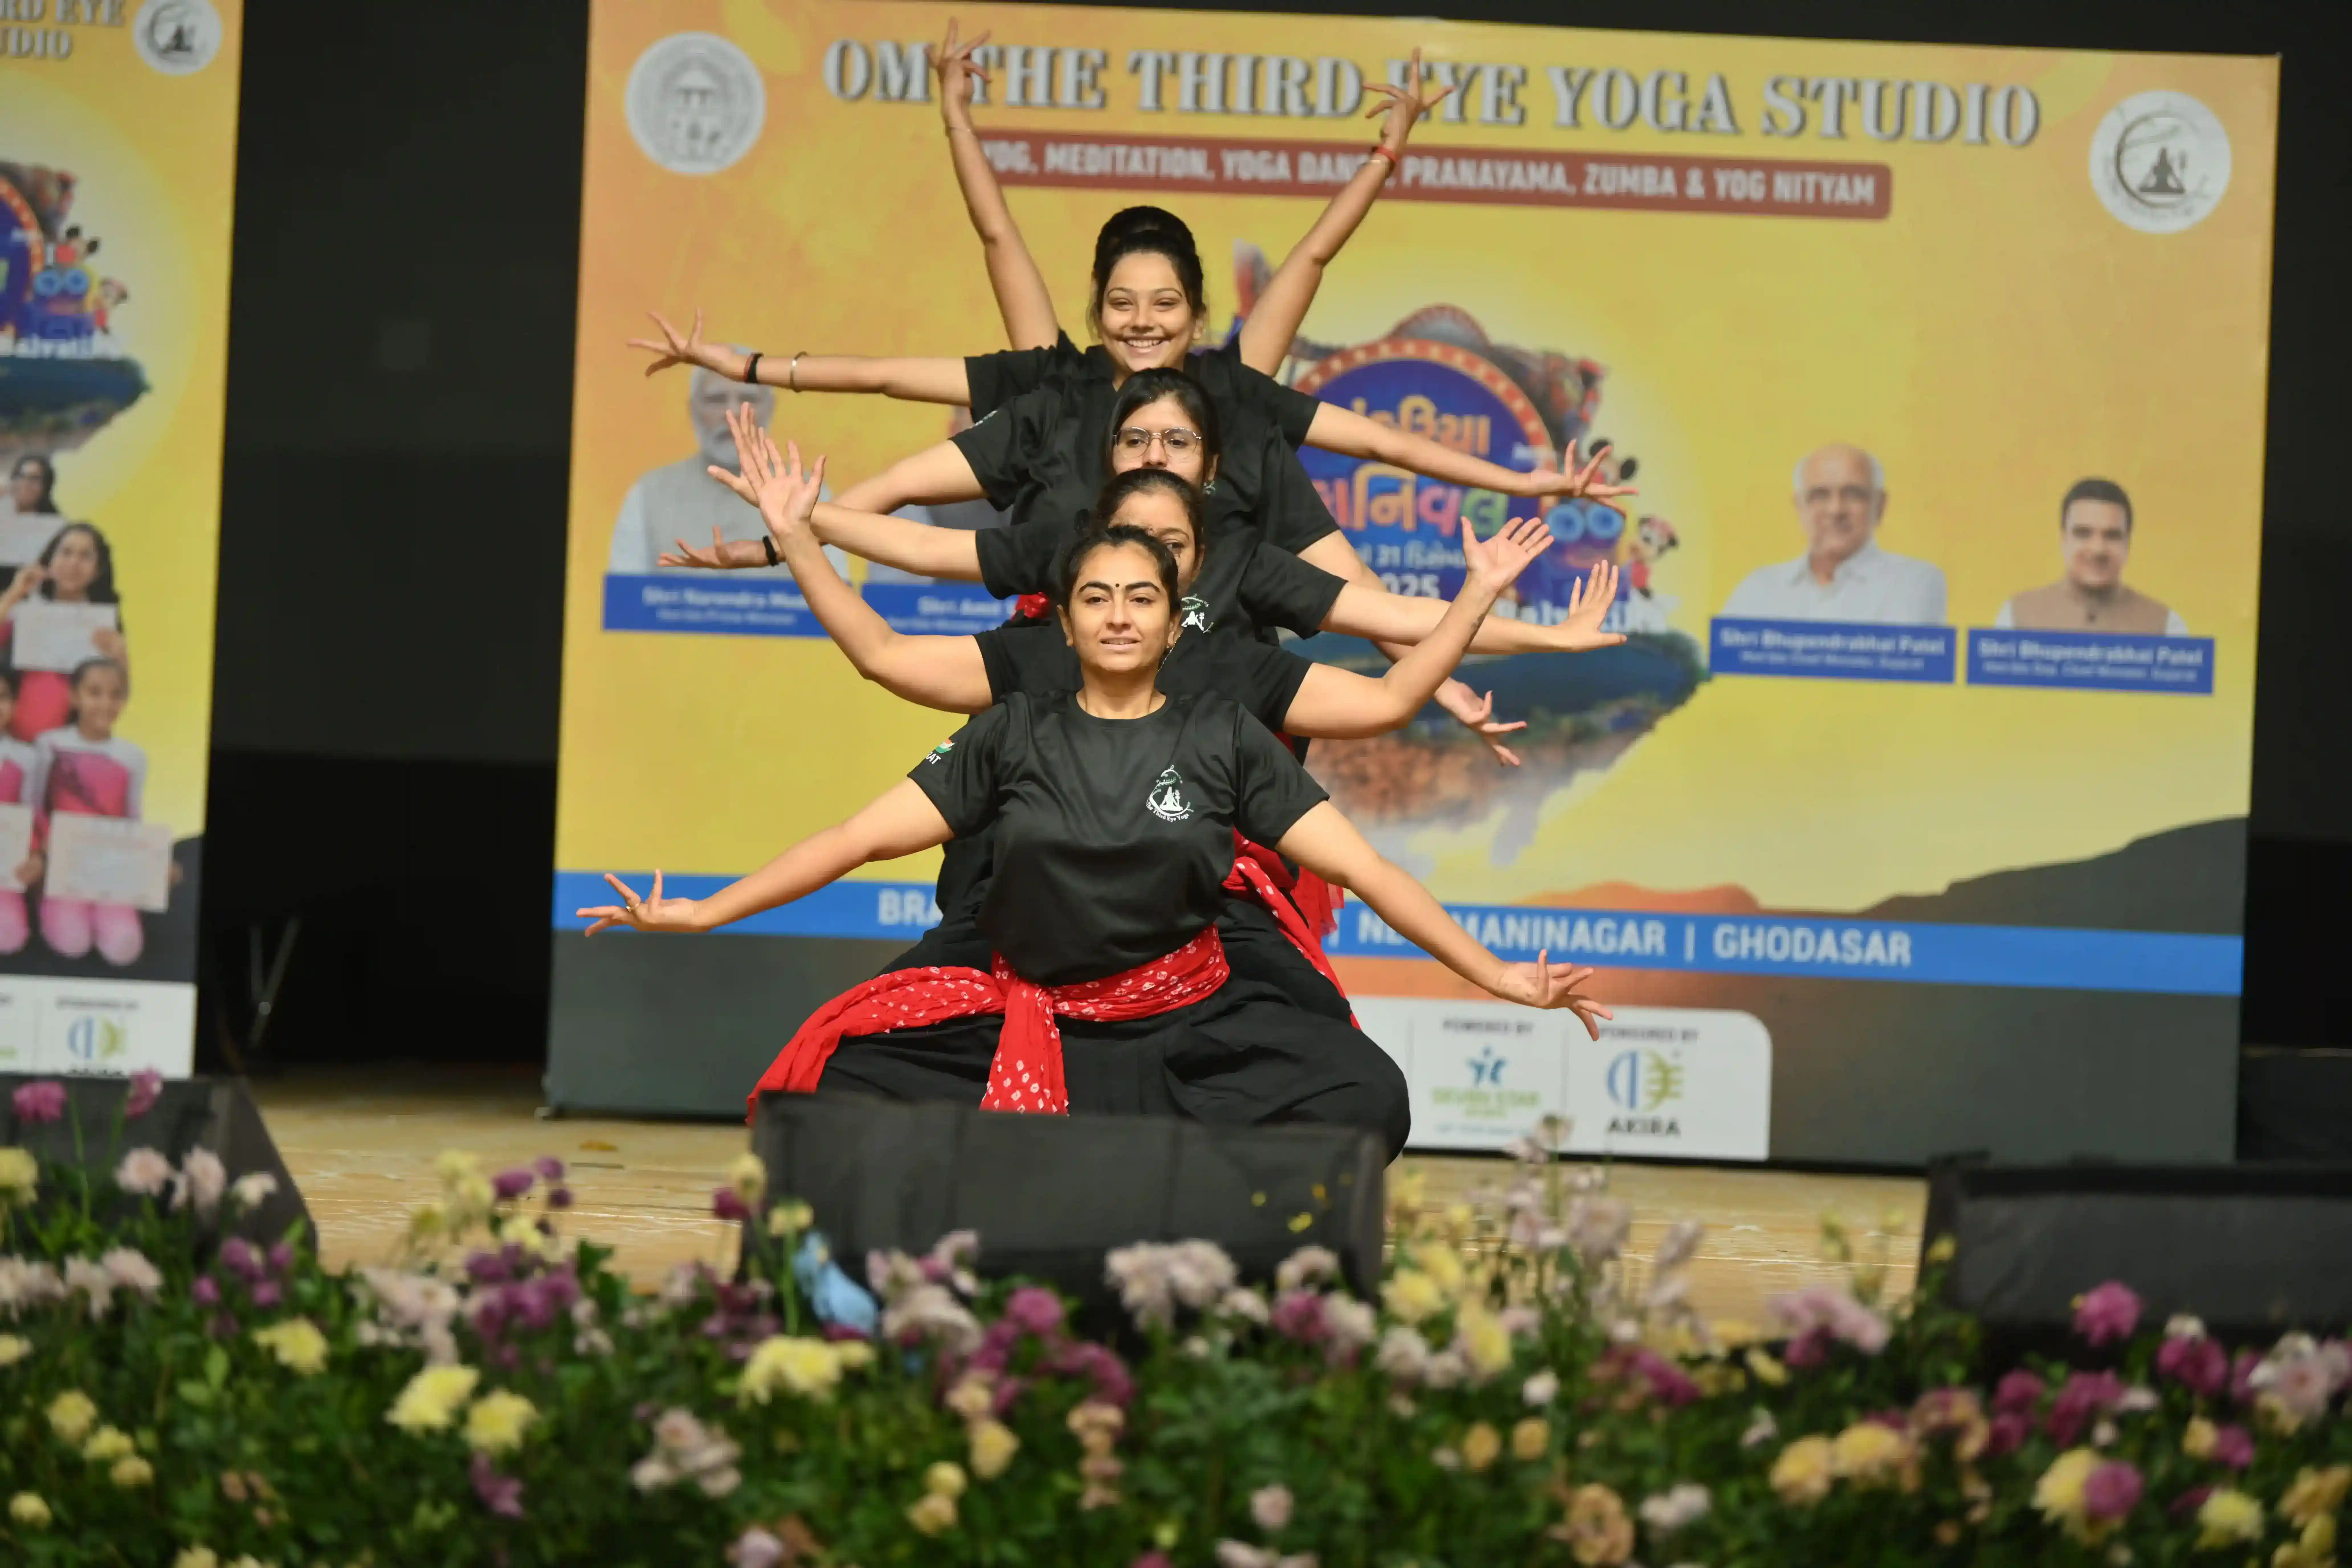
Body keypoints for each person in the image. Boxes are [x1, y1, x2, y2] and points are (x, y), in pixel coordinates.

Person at [577, 524, 1611, 1154]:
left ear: (1173, 623)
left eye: (1143, 598)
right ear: (1065, 623)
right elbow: (854, 839)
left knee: (1366, 1094)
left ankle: (1171, 1208)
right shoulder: (1011, 733)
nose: (1119, 615)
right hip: (1036, 1018)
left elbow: (1369, 871)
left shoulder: (1225, 738)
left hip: (1184, 1030)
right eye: (1095, 598)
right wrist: (706, 909)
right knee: (829, 1089)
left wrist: (1501, 979)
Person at [703, 411, 1620, 1015]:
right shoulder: (1031, 671)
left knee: (1334, 1072)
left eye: (1166, 558)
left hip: (1195, 933)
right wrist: (798, 532)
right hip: (1024, 921)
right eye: (1105, 581)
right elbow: (883, 664)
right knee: (886, 1043)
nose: (1130, 597)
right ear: (1075, 584)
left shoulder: (1229, 683)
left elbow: (1386, 707)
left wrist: (1491, 603)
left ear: (1189, 567)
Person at [1721, 444, 1946, 625]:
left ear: (1880, 506)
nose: (1836, 510)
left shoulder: (1915, 583)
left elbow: (1899, 673)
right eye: (1820, 495)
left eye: (1853, 495)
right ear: (1800, 508)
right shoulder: (1758, 588)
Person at [606, 363, 789, 577]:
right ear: (693, 409)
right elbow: (625, 601)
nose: (733, 413)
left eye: (748, 399)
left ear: (771, 407)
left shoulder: (810, 495)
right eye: (716, 399)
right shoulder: (647, 496)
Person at [28, 657, 153, 967]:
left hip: (109, 863)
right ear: (74, 696)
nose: (106, 703)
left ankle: (109, 911)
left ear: (125, 700)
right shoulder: (50, 744)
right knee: (73, 942)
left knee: (125, 947)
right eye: (95, 693)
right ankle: (46, 902)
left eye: (116, 695)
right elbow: (33, 802)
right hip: (63, 862)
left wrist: (150, 861)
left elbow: (133, 815)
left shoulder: (133, 755)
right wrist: (44, 844)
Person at [1995, 478, 2185, 636]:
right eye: (2083, 533)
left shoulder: (2167, 626)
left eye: (2112, 536)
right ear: (2063, 540)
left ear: (2128, 543)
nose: (2097, 550)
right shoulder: (2016, 617)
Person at [0, 522, 127, 741]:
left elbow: (117, 697)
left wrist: (121, 657)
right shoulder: (25, 611)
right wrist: (14, 593)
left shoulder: (103, 625)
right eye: (66, 552)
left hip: (69, 750)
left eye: (85, 556)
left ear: (98, 570)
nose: (73, 563)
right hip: (10, 745)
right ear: (51, 559)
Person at [0, 668, 37, 955]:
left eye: (2, 697)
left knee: (10, 939)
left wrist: (35, 855)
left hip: (5, 867)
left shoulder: (26, 757)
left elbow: (32, 814)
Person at [3, 455, 64, 575]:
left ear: (46, 486)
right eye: (21, 477)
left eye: (35, 479)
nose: (26, 484)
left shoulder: (56, 529)